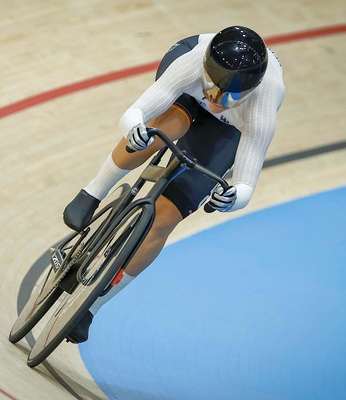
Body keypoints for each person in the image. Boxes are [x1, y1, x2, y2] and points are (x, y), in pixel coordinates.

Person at [63, 26, 285, 343]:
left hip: (230, 128)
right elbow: (136, 111)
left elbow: (246, 182)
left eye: (231, 96)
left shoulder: (262, 106)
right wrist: (136, 129)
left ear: (251, 91)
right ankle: (93, 191)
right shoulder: (192, 64)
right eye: (213, 88)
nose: (217, 100)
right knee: (156, 134)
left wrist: (232, 197)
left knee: (162, 221)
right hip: (185, 92)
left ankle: (93, 308)